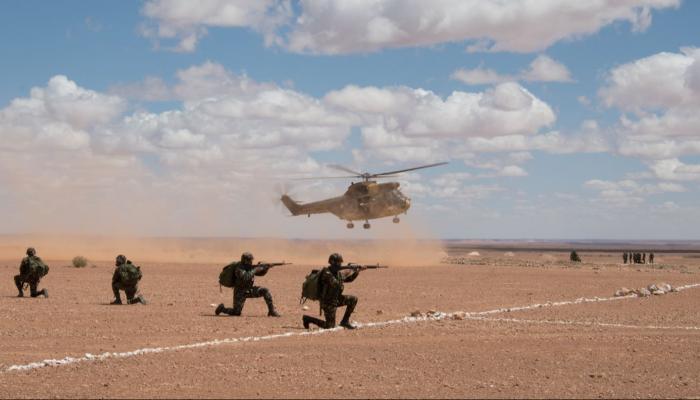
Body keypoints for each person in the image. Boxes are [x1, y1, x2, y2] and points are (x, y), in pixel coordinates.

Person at [302, 253, 359, 330]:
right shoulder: (327, 272)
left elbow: (350, 279)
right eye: (338, 263)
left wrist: (356, 271)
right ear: (332, 263)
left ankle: (345, 321)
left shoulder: (337, 273)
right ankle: (308, 319)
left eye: (340, 263)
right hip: (328, 302)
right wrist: (348, 270)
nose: (340, 264)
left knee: (353, 299)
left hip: (336, 299)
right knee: (330, 326)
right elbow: (336, 284)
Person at [215, 252, 280, 317]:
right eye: (250, 260)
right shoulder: (239, 268)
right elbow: (245, 277)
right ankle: (222, 309)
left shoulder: (249, 267)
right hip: (240, 292)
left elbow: (260, 274)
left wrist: (265, 268)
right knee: (236, 313)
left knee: (265, 291)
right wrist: (255, 269)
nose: (251, 262)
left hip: (249, 289)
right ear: (245, 260)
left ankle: (272, 311)